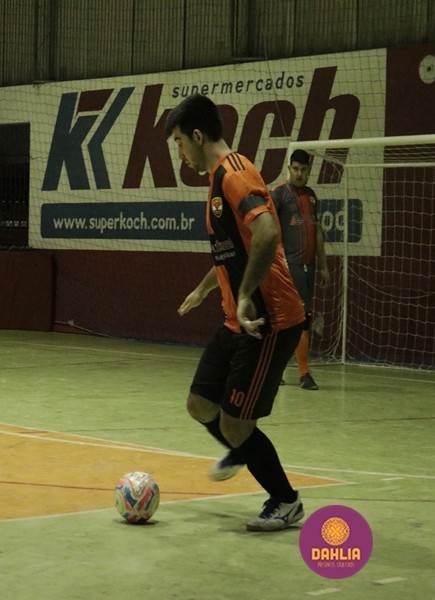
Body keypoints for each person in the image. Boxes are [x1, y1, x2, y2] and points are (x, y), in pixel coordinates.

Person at [165, 93, 306, 531]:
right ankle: (240, 447)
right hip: (236, 318)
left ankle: (286, 501)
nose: (179, 152)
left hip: (268, 320)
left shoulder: (235, 174)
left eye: (179, 142)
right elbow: (234, 251)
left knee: (236, 423)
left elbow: (267, 232)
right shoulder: (216, 181)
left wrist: (245, 294)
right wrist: (205, 288)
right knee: (199, 404)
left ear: (197, 135)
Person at [271, 150, 329, 390]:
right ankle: (304, 374)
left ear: (308, 171)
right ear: (289, 168)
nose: (299, 173)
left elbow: (317, 233)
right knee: (301, 318)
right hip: (289, 265)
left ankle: (275, 371)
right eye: (295, 169)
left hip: (309, 266)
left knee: (295, 319)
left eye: (303, 170)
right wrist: (279, 260)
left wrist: (323, 266)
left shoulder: (312, 196)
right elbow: (270, 229)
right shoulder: (279, 194)